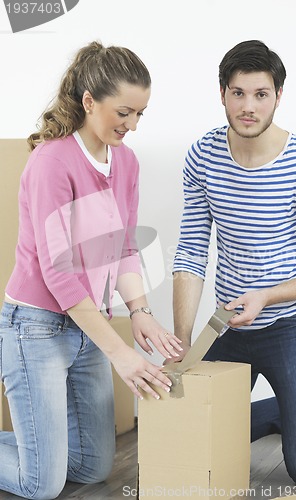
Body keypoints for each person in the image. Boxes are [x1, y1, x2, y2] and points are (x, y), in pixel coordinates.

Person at [0, 40, 182, 500]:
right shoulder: (52, 162)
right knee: (40, 485)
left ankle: (39, 448)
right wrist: (120, 353)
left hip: (87, 326)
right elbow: (60, 274)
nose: (132, 125)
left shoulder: (127, 163)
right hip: (36, 327)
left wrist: (139, 310)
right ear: (88, 101)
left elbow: (121, 245)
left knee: (94, 465)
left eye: (140, 114)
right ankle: (37, 455)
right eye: (124, 112)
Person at [172, 39, 296, 487]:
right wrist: (185, 340)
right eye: (238, 93)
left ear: (278, 96)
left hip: (291, 324)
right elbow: (190, 250)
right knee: (188, 441)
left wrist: (266, 295)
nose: (248, 106)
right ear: (222, 93)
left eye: (260, 94)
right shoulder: (203, 156)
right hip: (229, 324)